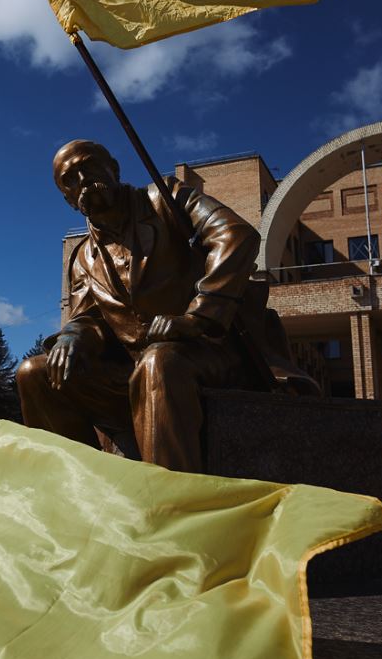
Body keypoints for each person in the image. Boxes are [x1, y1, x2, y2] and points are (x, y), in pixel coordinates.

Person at [17, 140, 314, 473]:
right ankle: (85, 492)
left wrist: (196, 317)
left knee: (158, 361)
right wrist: (71, 336)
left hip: (211, 355)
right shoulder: (82, 257)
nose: (82, 180)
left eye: (88, 166)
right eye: (70, 179)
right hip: (132, 375)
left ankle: (173, 506)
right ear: (68, 199)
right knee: (35, 373)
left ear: (113, 168)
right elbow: (89, 318)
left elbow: (234, 235)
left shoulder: (166, 199)